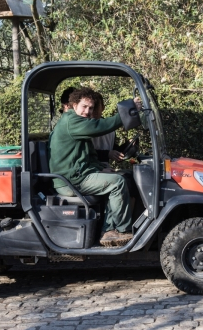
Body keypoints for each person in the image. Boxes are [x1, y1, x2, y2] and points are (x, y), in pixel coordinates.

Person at [48, 87, 141, 247]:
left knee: (120, 176)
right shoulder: (72, 121)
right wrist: (128, 111)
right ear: (74, 105)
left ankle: (108, 230)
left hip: (76, 175)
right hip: (71, 181)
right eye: (84, 106)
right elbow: (102, 126)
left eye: (90, 108)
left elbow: (88, 155)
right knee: (117, 183)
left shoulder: (76, 122)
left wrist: (100, 168)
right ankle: (121, 230)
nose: (87, 111)